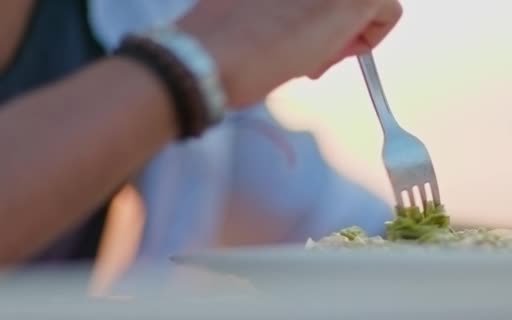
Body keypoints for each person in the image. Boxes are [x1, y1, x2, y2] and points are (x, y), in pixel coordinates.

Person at [0, 0, 402, 266]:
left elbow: (332, 225)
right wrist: (193, 61)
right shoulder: (186, 45)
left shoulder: (128, 12)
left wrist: (454, 248)